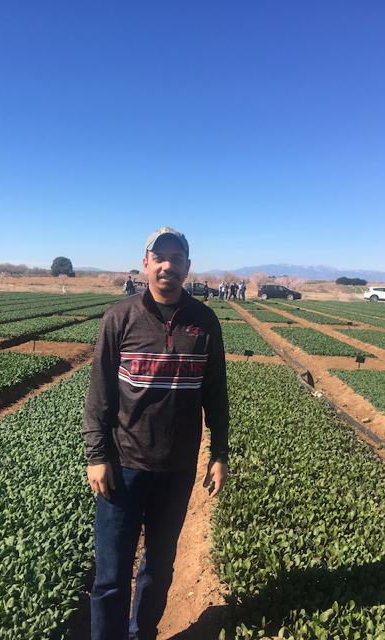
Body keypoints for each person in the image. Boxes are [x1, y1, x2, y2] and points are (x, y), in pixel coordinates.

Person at [83, 226, 229, 640]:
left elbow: (215, 391)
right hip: (124, 465)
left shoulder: (204, 321)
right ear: (146, 263)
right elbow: (100, 394)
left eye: (176, 259)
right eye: (159, 257)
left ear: (187, 266)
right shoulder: (120, 318)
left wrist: (219, 452)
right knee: (111, 575)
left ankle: (141, 633)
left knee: (159, 568)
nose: (168, 266)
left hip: (177, 468)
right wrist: (97, 456)